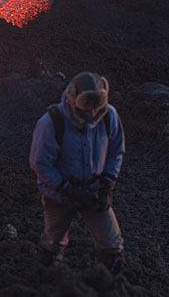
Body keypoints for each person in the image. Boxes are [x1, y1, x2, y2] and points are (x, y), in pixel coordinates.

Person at [29, 71, 126, 273]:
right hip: (60, 194)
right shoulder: (51, 122)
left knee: (112, 245)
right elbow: (40, 163)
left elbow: (116, 151)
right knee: (53, 241)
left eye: (96, 109)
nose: (91, 115)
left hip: (94, 190)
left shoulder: (109, 116)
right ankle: (47, 276)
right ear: (72, 98)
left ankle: (109, 281)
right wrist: (65, 187)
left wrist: (108, 182)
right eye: (85, 109)